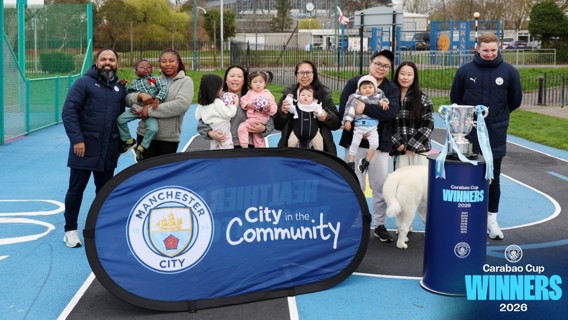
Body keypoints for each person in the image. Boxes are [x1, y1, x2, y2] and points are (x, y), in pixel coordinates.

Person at [450, 32, 523, 240]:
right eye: (486, 50)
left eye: (493, 50)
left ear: (498, 48)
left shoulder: (509, 72)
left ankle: (492, 220)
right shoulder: (465, 71)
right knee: (466, 176)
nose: (490, 54)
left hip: (495, 134)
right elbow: (456, 97)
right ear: (477, 49)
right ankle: (469, 218)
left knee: (493, 177)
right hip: (469, 135)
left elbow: (515, 100)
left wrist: (498, 117)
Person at [61, 48, 126, 248]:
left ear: (117, 63)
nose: (108, 62)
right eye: (104, 59)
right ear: (96, 62)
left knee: (105, 192)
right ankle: (70, 231)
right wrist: (77, 140)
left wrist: (121, 143)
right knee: (76, 190)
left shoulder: (119, 88)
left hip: (108, 149)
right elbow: (69, 111)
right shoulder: (83, 83)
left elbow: (121, 119)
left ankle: (101, 229)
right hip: (84, 148)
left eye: (112, 59)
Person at [338, 49, 400, 242]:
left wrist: (364, 108)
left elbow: (391, 113)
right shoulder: (354, 83)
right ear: (371, 62)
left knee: (379, 185)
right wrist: (371, 112)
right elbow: (345, 109)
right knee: (354, 183)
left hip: (379, 144)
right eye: (378, 64)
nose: (381, 68)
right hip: (355, 142)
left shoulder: (391, 89)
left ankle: (379, 225)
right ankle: (355, 223)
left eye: (386, 66)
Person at [125, 48, 193, 161]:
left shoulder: (185, 81)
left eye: (171, 61)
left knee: (164, 174)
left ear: (178, 62)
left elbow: (181, 105)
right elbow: (127, 99)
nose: (167, 64)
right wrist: (139, 95)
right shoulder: (151, 80)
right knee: (144, 173)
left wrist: (150, 111)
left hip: (168, 138)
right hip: (145, 134)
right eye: (164, 61)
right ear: (159, 64)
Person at [197, 65, 274, 148]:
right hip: (224, 144)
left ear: (244, 80)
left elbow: (269, 119)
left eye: (239, 76)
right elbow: (203, 121)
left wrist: (263, 129)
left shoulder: (253, 97)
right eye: (232, 76)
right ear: (226, 79)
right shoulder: (217, 99)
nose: (235, 79)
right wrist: (210, 133)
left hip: (249, 145)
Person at [275, 60, 341, 155]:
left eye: (308, 72)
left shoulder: (324, 95)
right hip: (291, 150)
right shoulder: (288, 95)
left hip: (320, 152)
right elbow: (277, 125)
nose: (305, 76)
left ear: (314, 74)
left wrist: (327, 116)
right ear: (296, 74)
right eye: (301, 73)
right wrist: (283, 113)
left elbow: (337, 123)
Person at [117, 59, 168, 162]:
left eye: (148, 67)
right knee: (120, 120)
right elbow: (129, 94)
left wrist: (158, 98)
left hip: (150, 109)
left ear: (151, 70)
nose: (145, 68)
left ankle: (141, 147)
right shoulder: (134, 82)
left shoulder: (155, 79)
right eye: (142, 67)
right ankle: (129, 140)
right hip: (137, 108)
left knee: (153, 129)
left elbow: (164, 88)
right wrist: (123, 86)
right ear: (136, 71)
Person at [391, 61, 434, 169]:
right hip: (400, 151)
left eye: (409, 74)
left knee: (420, 183)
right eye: (402, 74)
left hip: (419, 151)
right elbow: (387, 123)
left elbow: (428, 125)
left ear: (414, 77)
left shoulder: (423, 98)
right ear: (397, 75)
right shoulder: (390, 98)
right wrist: (398, 143)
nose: (405, 77)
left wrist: (412, 146)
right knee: (401, 183)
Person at [343, 75, 390, 173]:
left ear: (375, 88)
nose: (367, 90)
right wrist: (347, 120)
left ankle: (366, 160)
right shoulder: (356, 98)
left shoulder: (378, 96)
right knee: (354, 143)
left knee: (375, 144)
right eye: (364, 88)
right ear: (359, 89)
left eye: (370, 87)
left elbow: (383, 99)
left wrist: (384, 102)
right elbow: (350, 110)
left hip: (372, 127)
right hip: (359, 126)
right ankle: (351, 161)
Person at [194, 74, 237, 149]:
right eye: (220, 88)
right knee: (227, 144)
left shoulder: (201, 104)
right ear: (214, 89)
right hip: (223, 128)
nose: (222, 89)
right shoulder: (217, 102)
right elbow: (228, 113)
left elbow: (197, 116)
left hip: (213, 129)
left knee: (214, 146)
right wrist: (235, 105)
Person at [238, 70, 277, 148]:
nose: (258, 84)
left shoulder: (267, 94)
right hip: (252, 119)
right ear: (250, 83)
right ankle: (260, 151)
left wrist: (269, 109)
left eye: (260, 82)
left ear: (265, 83)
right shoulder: (250, 93)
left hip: (260, 120)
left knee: (242, 128)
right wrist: (248, 105)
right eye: (255, 82)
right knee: (258, 138)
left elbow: (274, 107)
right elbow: (242, 101)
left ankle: (244, 146)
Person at [284, 85, 326, 150]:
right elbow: (289, 108)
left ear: (313, 98)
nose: (305, 97)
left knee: (319, 146)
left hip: (314, 132)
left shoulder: (316, 106)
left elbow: (321, 113)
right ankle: (292, 154)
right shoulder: (296, 106)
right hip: (296, 131)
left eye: (309, 96)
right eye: (303, 95)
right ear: (299, 97)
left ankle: (319, 157)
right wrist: (289, 98)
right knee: (291, 143)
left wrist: (317, 112)